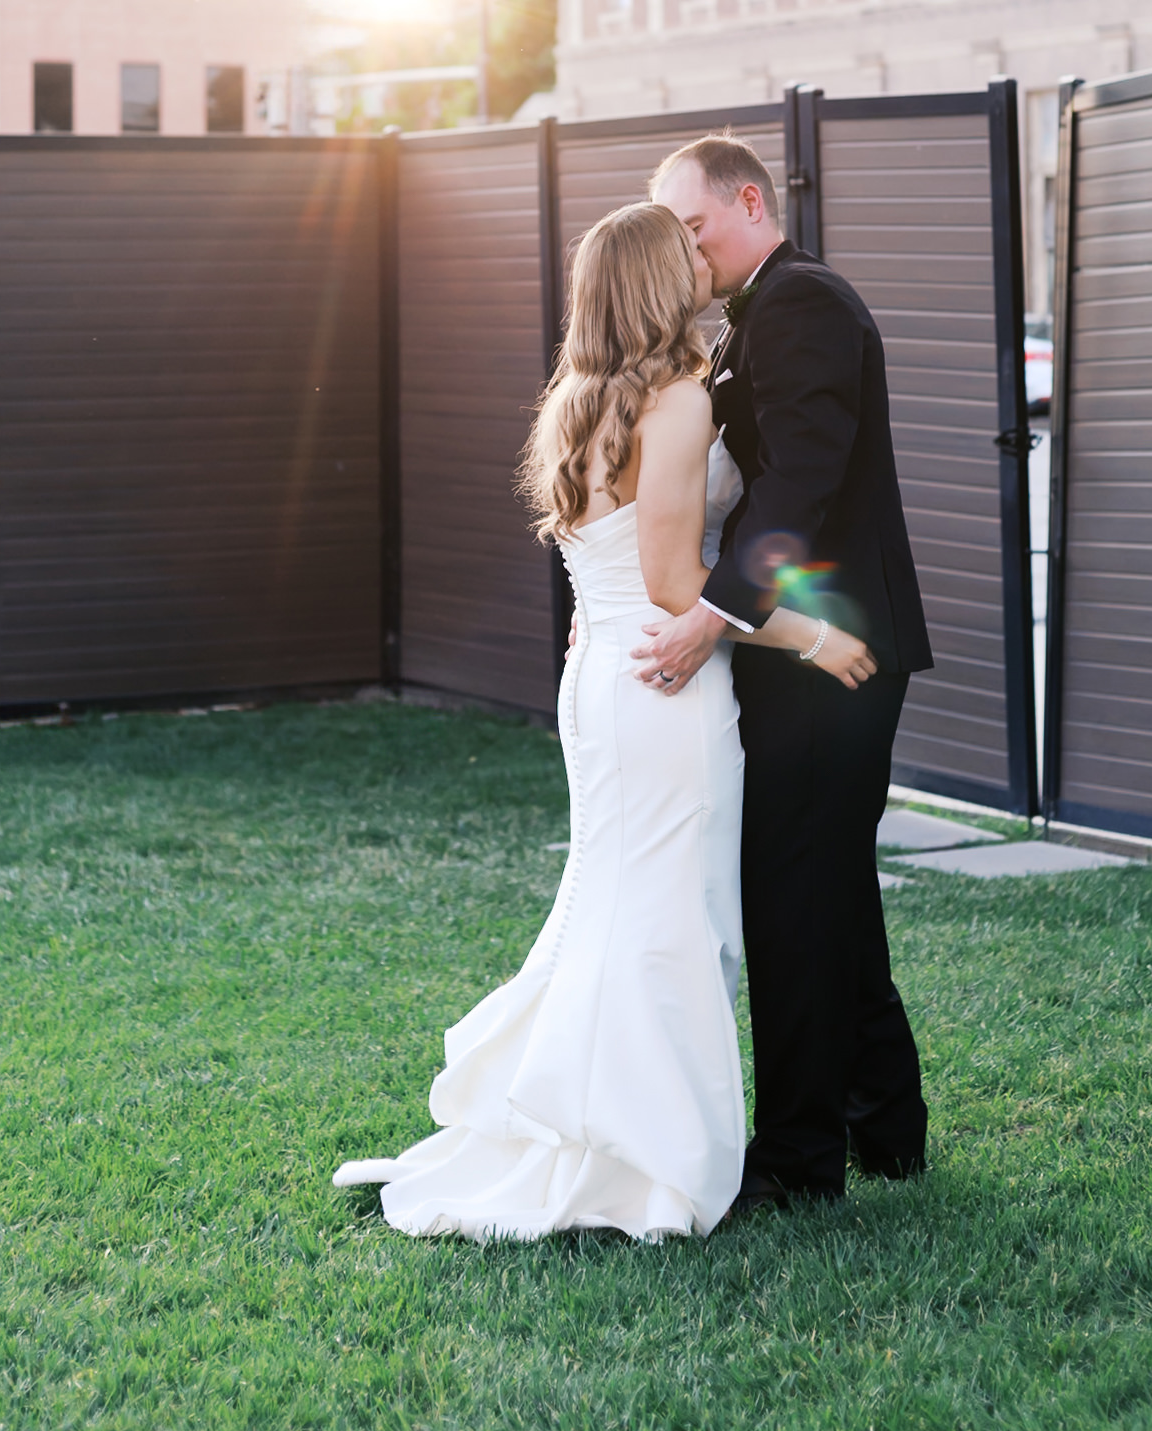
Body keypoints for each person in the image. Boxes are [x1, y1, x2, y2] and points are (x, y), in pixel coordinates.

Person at [331, 201, 876, 1241]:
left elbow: (606, 561)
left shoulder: (577, 399)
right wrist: (813, 638)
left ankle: (586, 1127)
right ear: (658, 282)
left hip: (600, 681)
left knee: (616, 902)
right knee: (670, 916)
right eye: (685, 257)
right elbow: (675, 582)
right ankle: (641, 1164)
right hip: (660, 690)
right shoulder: (673, 403)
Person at [634, 134, 934, 1209]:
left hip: (828, 650)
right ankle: (885, 1125)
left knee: (794, 900)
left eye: (694, 227)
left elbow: (798, 482)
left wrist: (713, 615)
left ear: (748, 200)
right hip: (820, 647)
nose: (686, 249)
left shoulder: (800, 303)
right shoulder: (761, 310)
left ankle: (802, 1161)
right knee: (832, 889)